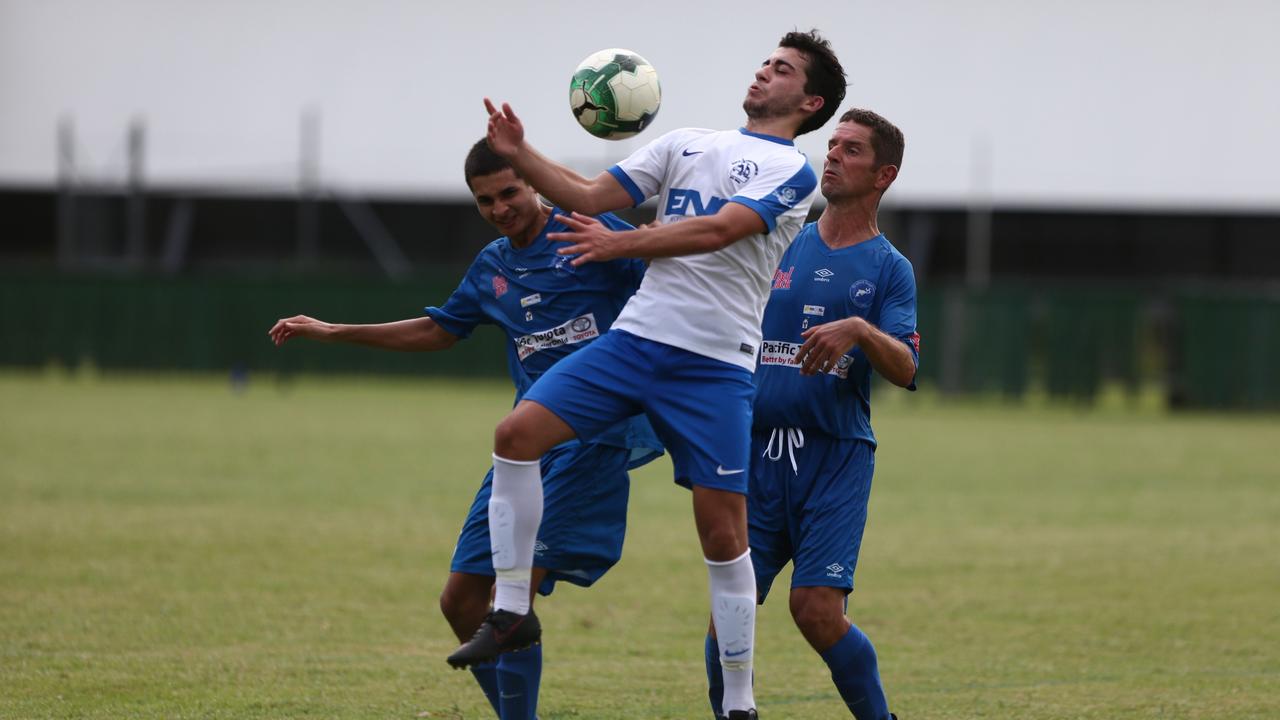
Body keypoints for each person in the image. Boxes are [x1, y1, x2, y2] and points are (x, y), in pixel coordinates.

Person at [447, 30, 847, 720]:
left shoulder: (793, 172)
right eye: (762, 62)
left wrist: (622, 240)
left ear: (810, 101)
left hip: (714, 365)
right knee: (516, 434)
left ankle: (740, 703)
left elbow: (720, 229)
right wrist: (522, 153)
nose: (762, 73)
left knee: (724, 540)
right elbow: (587, 191)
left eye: (780, 69)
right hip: (635, 341)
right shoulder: (685, 141)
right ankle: (512, 610)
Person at [268, 138, 662, 720]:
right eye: (485, 201)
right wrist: (335, 331)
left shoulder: (588, 230)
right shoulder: (494, 265)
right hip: (524, 454)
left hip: (590, 442)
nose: (500, 208)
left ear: (533, 183)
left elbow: (665, 279)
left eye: (509, 192)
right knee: (461, 602)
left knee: (512, 602)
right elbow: (440, 329)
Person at [703, 109, 917, 720]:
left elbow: (905, 368)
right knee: (730, 612)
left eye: (851, 151)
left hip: (835, 455)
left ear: (884, 174)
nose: (833, 156)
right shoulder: (781, 238)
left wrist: (858, 330)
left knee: (817, 611)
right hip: (756, 452)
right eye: (832, 146)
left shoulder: (889, 269)